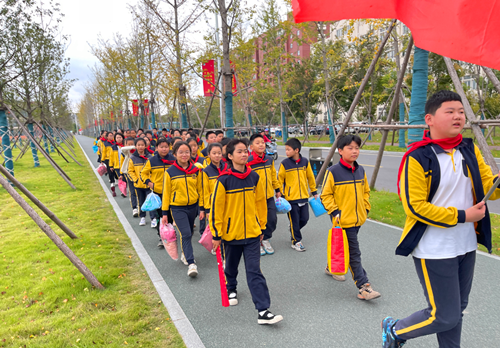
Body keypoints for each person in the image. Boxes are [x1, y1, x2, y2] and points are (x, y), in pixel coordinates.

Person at [381, 90, 500, 348]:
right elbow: (415, 207)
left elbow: (489, 186)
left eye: (461, 112)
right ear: (429, 119)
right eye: (450, 111)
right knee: (444, 315)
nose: (458, 117)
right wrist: (463, 216)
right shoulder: (417, 157)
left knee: (457, 310)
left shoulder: (469, 150)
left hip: (466, 244)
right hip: (434, 248)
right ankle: (395, 329)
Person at [210, 139, 283, 325]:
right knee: (231, 267)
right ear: (230, 156)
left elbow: (260, 204)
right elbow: (216, 209)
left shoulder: (254, 177)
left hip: (251, 233)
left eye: (245, 151)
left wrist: (261, 226)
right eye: (240, 151)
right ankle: (231, 287)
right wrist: (216, 234)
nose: (244, 154)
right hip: (231, 234)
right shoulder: (223, 180)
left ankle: (263, 310)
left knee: (254, 271)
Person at [320, 134, 380, 300]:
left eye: (357, 148)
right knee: (354, 252)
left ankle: (331, 266)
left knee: (346, 246)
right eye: (350, 148)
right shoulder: (333, 172)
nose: (355, 151)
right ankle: (364, 287)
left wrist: (365, 208)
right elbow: (325, 195)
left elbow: (366, 191)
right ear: (340, 151)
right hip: (343, 221)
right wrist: (335, 212)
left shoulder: (361, 170)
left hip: (358, 219)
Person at [161, 141, 203, 277]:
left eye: (187, 152)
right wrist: (164, 213)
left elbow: (200, 190)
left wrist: (201, 208)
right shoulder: (170, 172)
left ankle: (185, 254)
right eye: (181, 152)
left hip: (193, 207)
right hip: (177, 208)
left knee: (189, 231)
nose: (184, 155)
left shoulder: (196, 171)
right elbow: (166, 193)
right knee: (185, 233)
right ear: (174, 154)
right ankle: (191, 263)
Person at [278, 138, 317, 251]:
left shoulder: (305, 162)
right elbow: (280, 179)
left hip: (304, 197)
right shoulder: (284, 163)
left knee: (304, 219)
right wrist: (281, 193)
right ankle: (296, 241)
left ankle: (294, 230)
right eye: (286, 149)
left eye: (288, 149)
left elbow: (310, 177)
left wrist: (313, 191)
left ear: (296, 150)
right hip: (291, 199)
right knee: (294, 220)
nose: (286, 152)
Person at [248, 134, 280, 256]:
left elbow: (273, 176)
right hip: (254, 198)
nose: (261, 144)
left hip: (268, 196)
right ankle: (257, 242)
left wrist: (277, 189)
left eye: (262, 142)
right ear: (251, 147)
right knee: (256, 221)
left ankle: (266, 239)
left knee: (272, 219)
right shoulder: (248, 162)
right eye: (257, 143)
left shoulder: (269, 160)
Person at [141, 137, 176, 245]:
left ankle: (169, 234)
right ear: (156, 148)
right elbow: (143, 173)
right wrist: (149, 183)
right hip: (158, 192)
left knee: (170, 215)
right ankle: (161, 236)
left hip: (171, 192)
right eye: (161, 147)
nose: (164, 149)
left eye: (166, 147)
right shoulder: (151, 160)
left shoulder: (173, 159)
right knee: (160, 215)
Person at [128, 138, 155, 227]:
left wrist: (151, 180)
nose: (140, 147)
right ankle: (142, 217)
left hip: (149, 184)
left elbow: (153, 170)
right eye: (138, 145)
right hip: (138, 185)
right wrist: (135, 179)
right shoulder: (132, 158)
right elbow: (130, 171)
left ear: (145, 146)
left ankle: (153, 218)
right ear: (135, 146)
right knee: (141, 201)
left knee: (150, 201)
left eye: (142, 145)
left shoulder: (150, 157)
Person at [123, 137, 139, 217]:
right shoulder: (126, 151)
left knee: (139, 190)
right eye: (128, 144)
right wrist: (133, 146)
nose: (131, 146)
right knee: (132, 190)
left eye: (132, 144)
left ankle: (139, 205)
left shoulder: (138, 151)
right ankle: (134, 208)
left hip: (138, 172)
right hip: (128, 172)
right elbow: (123, 149)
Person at [109, 132, 125, 198]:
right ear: (115, 139)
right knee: (120, 178)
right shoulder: (113, 147)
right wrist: (111, 166)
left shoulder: (125, 146)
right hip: (117, 166)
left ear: (122, 138)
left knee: (125, 179)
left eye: (120, 137)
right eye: (117, 138)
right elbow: (111, 157)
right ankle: (123, 191)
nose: (119, 139)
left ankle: (124, 190)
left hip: (124, 165)